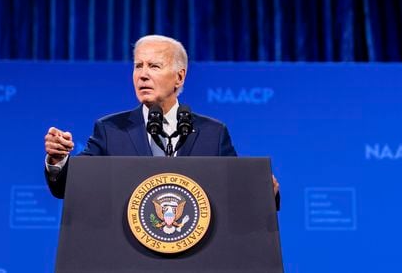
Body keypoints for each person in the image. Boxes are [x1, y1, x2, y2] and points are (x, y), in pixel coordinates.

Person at [43, 34, 279, 207]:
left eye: (154, 66)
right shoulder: (110, 129)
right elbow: (70, 187)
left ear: (179, 76)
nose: (143, 74)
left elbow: (235, 194)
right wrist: (58, 160)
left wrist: (263, 192)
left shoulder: (212, 133)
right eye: (138, 66)